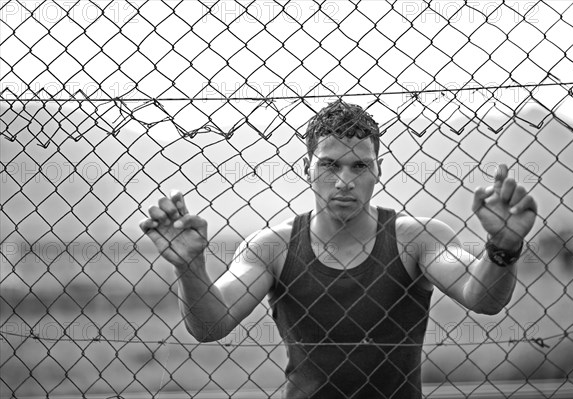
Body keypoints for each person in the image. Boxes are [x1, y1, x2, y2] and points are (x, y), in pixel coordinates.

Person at [140, 100, 537, 398]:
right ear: (306, 168)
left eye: (359, 166)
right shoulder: (272, 247)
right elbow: (211, 325)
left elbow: (481, 297)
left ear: (379, 169)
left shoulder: (416, 238)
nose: (344, 181)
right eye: (330, 164)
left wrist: (503, 246)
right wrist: (190, 266)